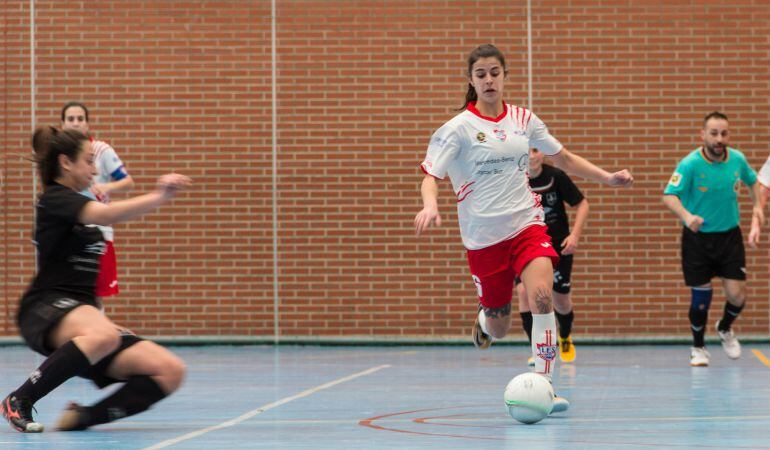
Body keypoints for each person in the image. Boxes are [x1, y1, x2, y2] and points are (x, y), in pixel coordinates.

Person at [414, 44, 633, 413]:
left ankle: (546, 384)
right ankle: (485, 319)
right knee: (500, 326)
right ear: (470, 80)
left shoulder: (524, 119)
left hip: (527, 226)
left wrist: (607, 177)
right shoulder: (457, 129)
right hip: (484, 240)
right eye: (480, 74)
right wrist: (431, 204)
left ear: (505, 77)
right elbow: (430, 175)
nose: (488, 80)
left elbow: (563, 157)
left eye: (495, 73)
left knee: (542, 296)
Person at [1, 126, 190, 433]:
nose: (93, 168)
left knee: (170, 370)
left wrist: (99, 321)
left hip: (83, 316)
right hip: (45, 308)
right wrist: (160, 196)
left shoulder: (76, 204)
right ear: (66, 163)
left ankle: (82, 418)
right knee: (104, 336)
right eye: (88, 161)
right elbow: (106, 215)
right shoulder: (55, 200)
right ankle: (20, 398)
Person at [663, 111, 763, 367]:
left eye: (724, 133)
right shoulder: (690, 164)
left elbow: (753, 181)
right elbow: (669, 195)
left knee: (737, 296)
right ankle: (698, 347)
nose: (719, 139)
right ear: (703, 135)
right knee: (701, 299)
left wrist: (757, 207)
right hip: (698, 240)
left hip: (730, 237)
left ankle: (725, 327)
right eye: (714, 133)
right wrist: (687, 216)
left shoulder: (737, 160)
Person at [516, 147, 589, 366]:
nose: (531, 156)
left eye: (536, 150)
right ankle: (537, 347)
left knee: (561, 299)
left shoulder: (555, 176)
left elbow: (582, 204)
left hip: (558, 246)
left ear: (543, 153)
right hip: (527, 245)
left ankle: (565, 336)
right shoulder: (515, 180)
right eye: (526, 151)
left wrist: (574, 235)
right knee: (523, 292)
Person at [61, 101, 134, 306]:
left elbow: (128, 182)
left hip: (97, 230)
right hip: (67, 230)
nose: (75, 123)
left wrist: (107, 188)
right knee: (67, 291)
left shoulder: (102, 150)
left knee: (94, 293)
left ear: (87, 124)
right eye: (70, 119)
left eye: (80, 119)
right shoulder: (59, 157)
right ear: (62, 124)